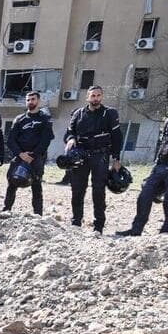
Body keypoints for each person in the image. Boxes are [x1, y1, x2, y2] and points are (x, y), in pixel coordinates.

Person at [115, 88, 168, 237]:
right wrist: (156, 164)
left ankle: (165, 233)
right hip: (161, 165)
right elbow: (164, 143)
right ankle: (136, 230)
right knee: (145, 195)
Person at [63, 85, 123, 233]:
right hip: (81, 155)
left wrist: (116, 158)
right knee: (77, 189)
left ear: (101, 97)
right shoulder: (78, 114)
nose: (95, 98)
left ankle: (98, 226)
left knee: (98, 190)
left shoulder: (109, 113)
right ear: (87, 97)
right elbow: (69, 132)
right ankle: (76, 222)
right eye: (93, 95)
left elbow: (117, 137)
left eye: (98, 95)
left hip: (100, 155)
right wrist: (71, 139)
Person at [2, 91, 54, 215]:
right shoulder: (19, 119)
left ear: (38, 101)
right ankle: (6, 210)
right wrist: (21, 154)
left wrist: (33, 155)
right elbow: (10, 140)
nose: (30, 102)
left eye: (33, 99)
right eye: (28, 100)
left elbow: (46, 140)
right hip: (19, 157)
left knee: (36, 186)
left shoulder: (45, 119)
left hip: (36, 158)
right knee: (12, 183)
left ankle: (38, 215)